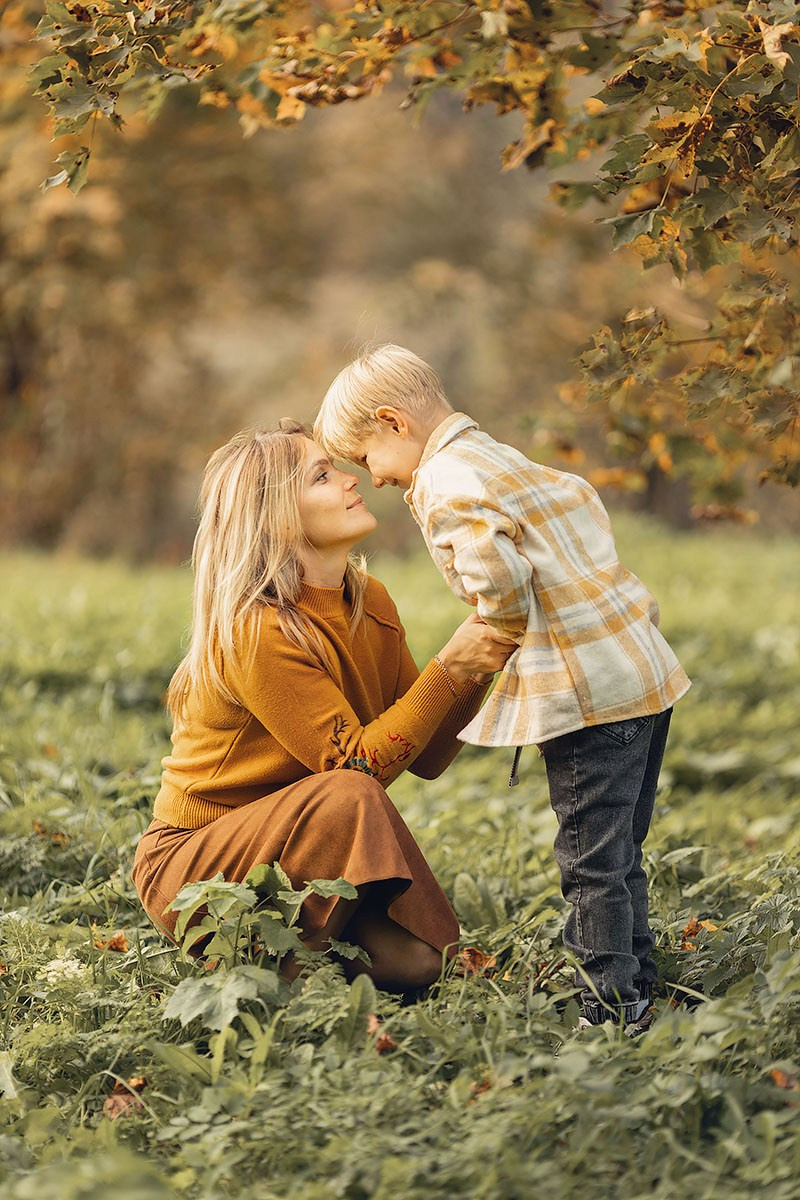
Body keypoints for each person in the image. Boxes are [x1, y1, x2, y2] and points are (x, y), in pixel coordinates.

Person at [314, 345, 692, 1031]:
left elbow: (497, 569)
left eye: (366, 459)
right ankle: (638, 978)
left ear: (393, 422)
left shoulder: (445, 480)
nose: (372, 480)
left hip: (585, 697)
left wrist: (498, 619)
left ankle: (610, 1009)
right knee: (620, 847)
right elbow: (582, 505)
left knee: (591, 859)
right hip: (637, 672)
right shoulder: (497, 457)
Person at [132, 420, 514, 993]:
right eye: (321, 475)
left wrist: (482, 655)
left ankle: (301, 965)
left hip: (306, 848)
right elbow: (353, 771)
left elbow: (430, 755)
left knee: (421, 964)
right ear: (278, 516)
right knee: (351, 791)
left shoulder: (369, 601)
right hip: (196, 867)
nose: (349, 479)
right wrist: (449, 669)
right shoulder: (258, 629)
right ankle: (274, 988)